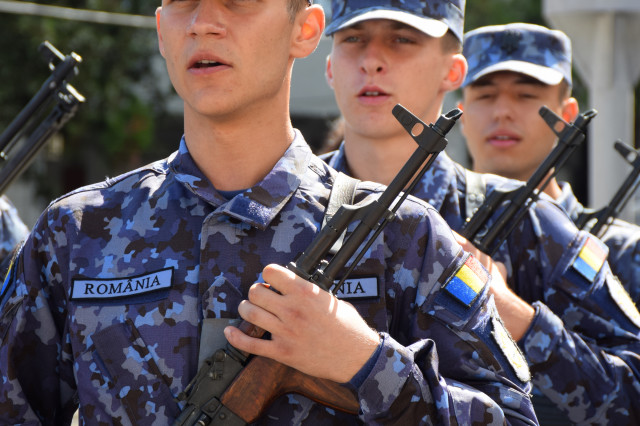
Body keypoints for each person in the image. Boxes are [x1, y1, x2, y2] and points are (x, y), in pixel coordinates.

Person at [0, 1, 537, 424]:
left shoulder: (402, 234)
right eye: (184, 2)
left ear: (305, 29)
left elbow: (514, 417)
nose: (204, 22)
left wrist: (368, 364)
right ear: (162, 31)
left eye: (238, 0)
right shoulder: (76, 233)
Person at [321, 0, 640, 424]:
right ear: (329, 67)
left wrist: (517, 317)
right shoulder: (280, 204)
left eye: (401, 40)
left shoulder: (528, 222)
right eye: (353, 39)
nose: (372, 61)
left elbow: (633, 393)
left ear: (453, 72)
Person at [458, 22, 640, 305]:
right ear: (461, 115)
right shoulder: (431, 235)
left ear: (567, 116)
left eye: (526, 95)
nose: (502, 112)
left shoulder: (623, 252)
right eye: (485, 96)